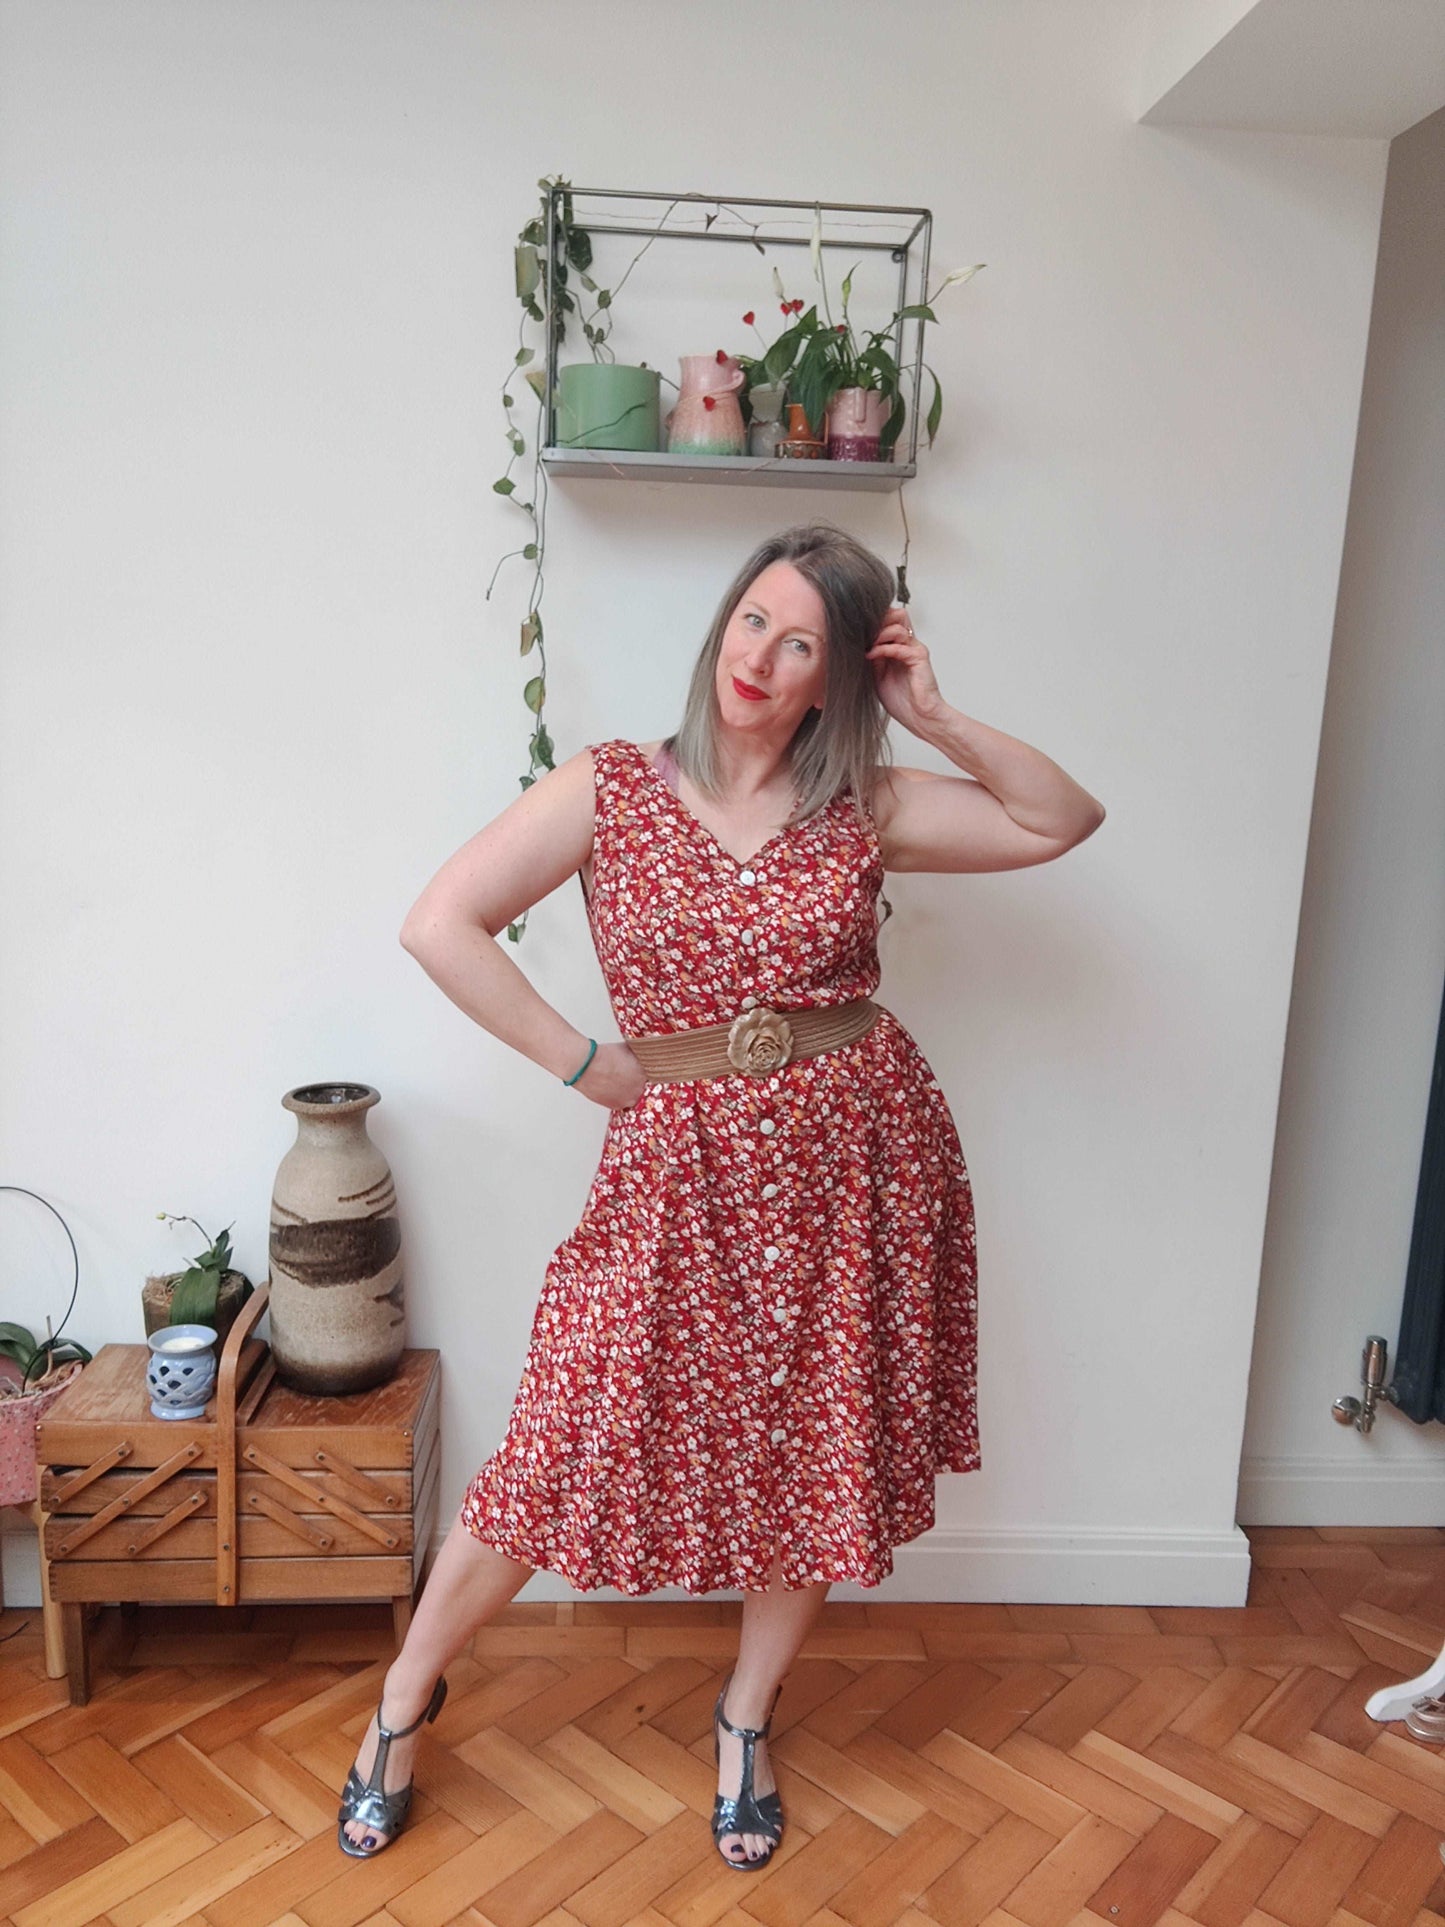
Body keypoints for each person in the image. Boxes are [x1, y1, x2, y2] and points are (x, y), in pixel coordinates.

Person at [337, 521, 1105, 1869]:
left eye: (802, 641)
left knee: (813, 1444)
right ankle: (403, 1699)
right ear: (720, 627)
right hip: (676, 1168)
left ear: (837, 676)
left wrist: (933, 715)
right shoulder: (612, 786)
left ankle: (746, 1716)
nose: (762, 655)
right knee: (557, 1437)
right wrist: (584, 1064)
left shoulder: (861, 799)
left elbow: (1058, 818)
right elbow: (437, 923)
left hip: (853, 1161)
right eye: (753, 619)